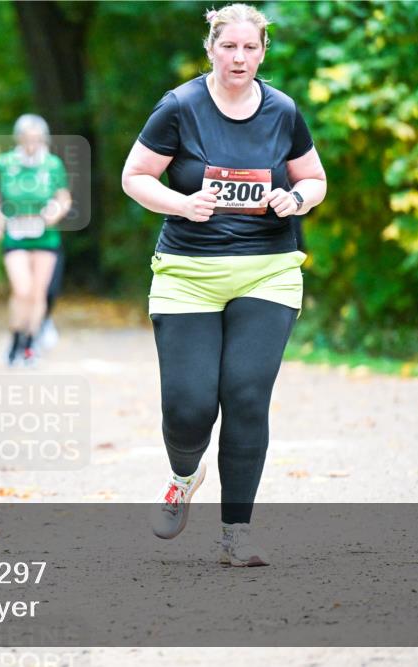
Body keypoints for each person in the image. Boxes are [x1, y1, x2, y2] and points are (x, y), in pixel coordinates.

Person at [121, 4, 327, 566]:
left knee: (246, 396)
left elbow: (314, 178)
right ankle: (183, 477)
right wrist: (182, 204)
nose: (239, 57)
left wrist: (296, 198)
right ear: (210, 48)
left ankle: (237, 532)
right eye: (229, 46)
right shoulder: (180, 106)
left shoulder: (282, 110)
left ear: (262, 52)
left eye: (249, 48)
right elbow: (135, 176)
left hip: (268, 270)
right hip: (188, 274)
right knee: (188, 407)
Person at [0, 114, 72, 367]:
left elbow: (63, 197)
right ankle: (15, 340)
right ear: (19, 138)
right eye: (26, 139)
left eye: (36, 139)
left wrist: (56, 212)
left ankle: (30, 344)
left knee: (38, 292)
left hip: (45, 235)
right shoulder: (5, 162)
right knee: (21, 289)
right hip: (15, 232)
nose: (31, 144)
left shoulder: (52, 164)